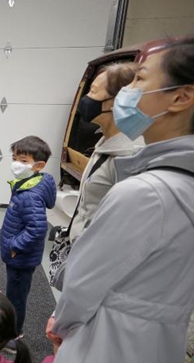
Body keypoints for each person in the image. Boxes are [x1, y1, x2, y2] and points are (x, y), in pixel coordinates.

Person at [34, 37, 194, 363]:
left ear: (182, 96)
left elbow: (81, 286)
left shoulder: (144, 192)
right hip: (158, 357)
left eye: (141, 79)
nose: (127, 95)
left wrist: (59, 325)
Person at [68, 62, 145, 243]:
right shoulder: (106, 142)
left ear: (118, 101)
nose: (86, 99)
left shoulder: (130, 156)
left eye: (93, 92)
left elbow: (127, 228)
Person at [0, 136, 56, 349]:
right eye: (14, 158)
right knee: (15, 293)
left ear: (38, 166)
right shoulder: (30, 184)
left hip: (21, 258)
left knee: (16, 297)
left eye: (23, 161)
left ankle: (12, 337)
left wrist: (15, 246)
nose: (16, 164)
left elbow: (37, 228)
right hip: (22, 256)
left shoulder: (30, 195)